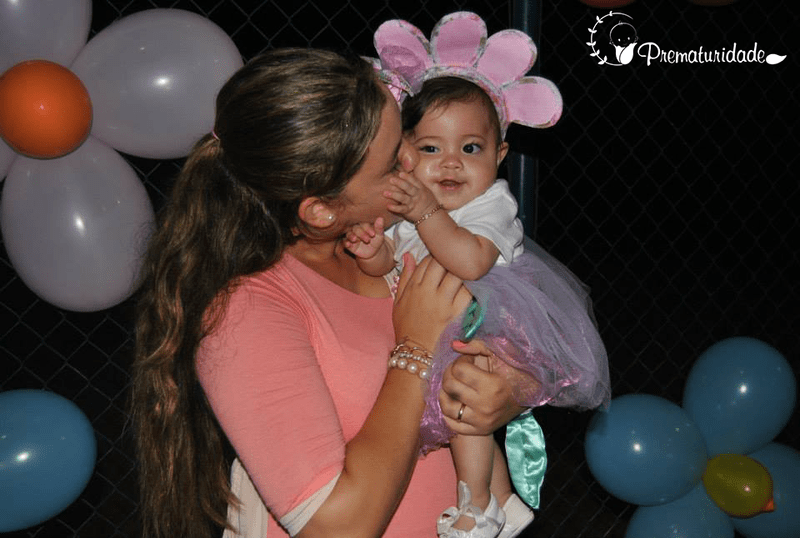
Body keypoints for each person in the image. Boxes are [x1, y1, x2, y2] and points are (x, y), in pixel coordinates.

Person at [129, 48, 526, 538]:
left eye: (404, 136)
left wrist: (508, 391)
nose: (413, 159)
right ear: (320, 210)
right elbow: (332, 528)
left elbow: (501, 340)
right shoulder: (249, 307)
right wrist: (416, 349)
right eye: (392, 162)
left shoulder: (392, 242)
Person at [345, 12, 612, 538]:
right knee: (460, 408)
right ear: (403, 153)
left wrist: (425, 213)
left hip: (487, 320)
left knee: (464, 405)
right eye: (430, 148)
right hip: (434, 321)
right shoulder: (408, 205)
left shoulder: (491, 203)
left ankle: (476, 505)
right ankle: (505, 500)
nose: (451, 164)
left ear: (500, 154)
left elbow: (470, 262)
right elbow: (390, 268)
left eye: (471, 148)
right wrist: (372, 250)